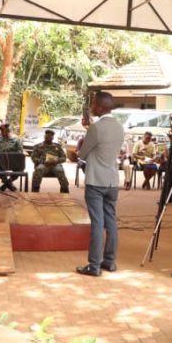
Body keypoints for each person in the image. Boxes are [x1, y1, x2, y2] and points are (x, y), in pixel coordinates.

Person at [75, 92, 124, 276]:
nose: (92, 106)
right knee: (110, 220)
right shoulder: (119, 127)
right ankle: (109, 262)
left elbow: (82, 153)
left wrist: (88, 130)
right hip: (112, 181)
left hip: (96, 181)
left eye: (94, 104)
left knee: (97, 223)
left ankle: (94, 266)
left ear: (101, 107)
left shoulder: (96, 128)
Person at [0, 123, 23, 192]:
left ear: (9, 130)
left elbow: (20, 151)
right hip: (2, 161)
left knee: (20, 167)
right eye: (2, 131)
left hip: (13, 161)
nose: (3, 132)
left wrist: (12, 156)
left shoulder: (16, 139)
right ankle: (8, 184)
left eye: (4, 130)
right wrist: (1, 156)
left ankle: (7, 183)